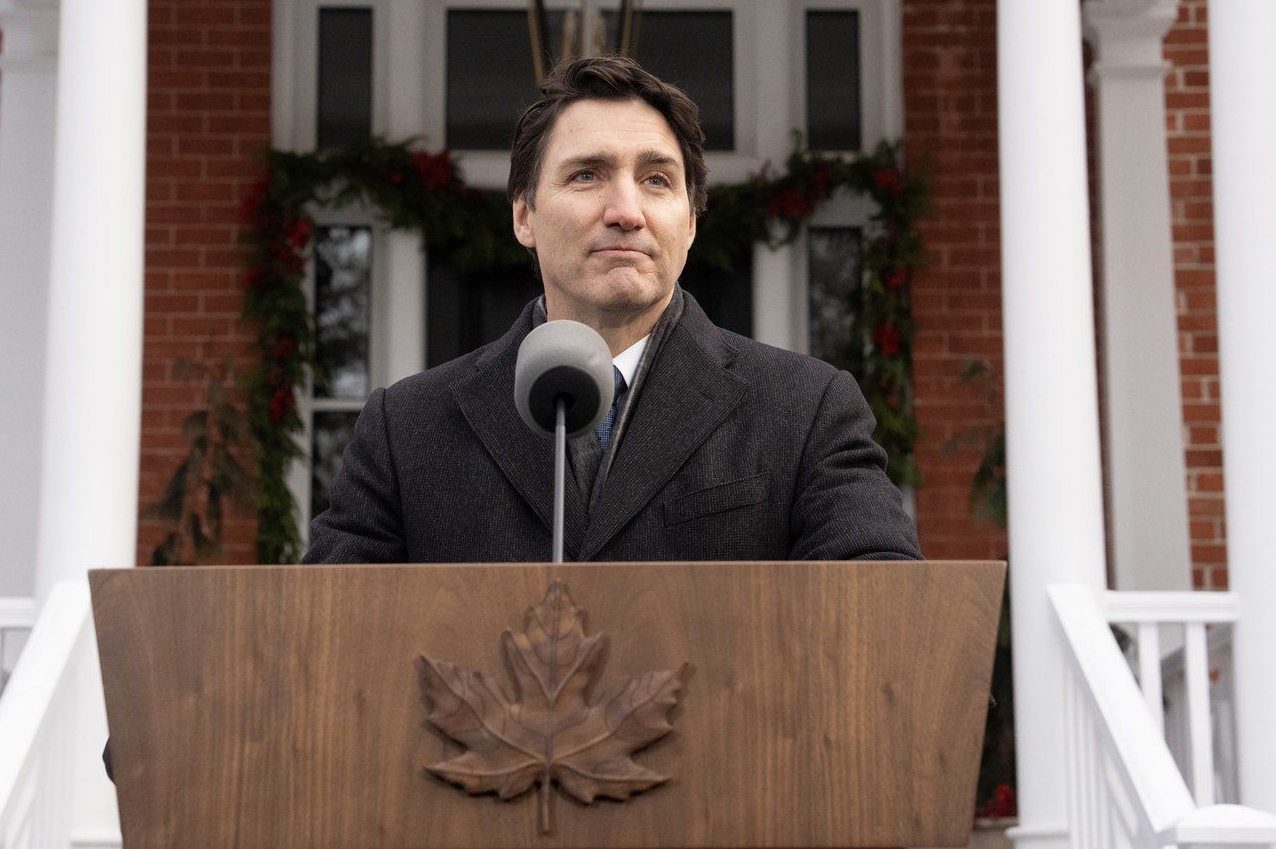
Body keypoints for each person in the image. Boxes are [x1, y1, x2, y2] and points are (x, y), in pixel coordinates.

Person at [303, 55, 921, 564]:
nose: (627, 210)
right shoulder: (406, 430)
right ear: (524, 215)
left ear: (691, 221)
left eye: (657, 180)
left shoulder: (807, 410)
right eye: (587, 176)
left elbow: (893, 628)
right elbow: (319, 646)